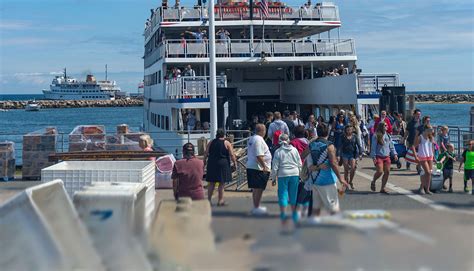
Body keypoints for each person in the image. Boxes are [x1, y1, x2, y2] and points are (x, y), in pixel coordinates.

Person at [303, 123, 348, 223]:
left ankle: (313, 225)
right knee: (333, 206)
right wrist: (341, 178)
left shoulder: (311, 144)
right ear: (327, 132)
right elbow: (333, 163)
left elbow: (302, 155)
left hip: (314, 179)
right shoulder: (329, 146)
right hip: (327, 180)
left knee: (316, 206)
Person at [271, 134, 302, 228]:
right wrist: (300, 175)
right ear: (288, 140)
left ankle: (283, 215)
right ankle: (294, 215)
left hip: (282, 174)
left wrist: (273, 178)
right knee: (294, 195)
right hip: (294, 174)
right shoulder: (294, 150)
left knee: (283, 194)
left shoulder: (278, 151)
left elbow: (275, 166)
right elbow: (299, 163)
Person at [204, 129, 237, 206]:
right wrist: (235, 163)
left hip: (212, 164)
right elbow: (232, 154)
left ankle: (208, 200)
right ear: (223, 135)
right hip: (223, 164)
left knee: (211, 183)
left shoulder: (211, 142)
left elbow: (206, 153)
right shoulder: (226, 143)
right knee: (221, 183)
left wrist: (204, 161)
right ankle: (220, 200)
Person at [247, 124, 272, 215]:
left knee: (256, 188)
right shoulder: (258, 139)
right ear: (262, 131)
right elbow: (259, 155)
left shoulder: (252, 138)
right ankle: (256, 207)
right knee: (259, 188)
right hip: (258, 168)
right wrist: (264, 166)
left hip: (252, 166)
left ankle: (256, 206)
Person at [370, 122, 398, 194]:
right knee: (380, 171)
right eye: (385, 125)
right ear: (381, 126)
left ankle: (383, 188)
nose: (387, 126)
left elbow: (391, 146)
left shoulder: (388, 135)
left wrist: (394, 154)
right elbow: (373, 147)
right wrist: (373, 157)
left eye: (387, 125)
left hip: (387, 156)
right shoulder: (376, 135)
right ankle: (373, 181)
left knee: (387, 172)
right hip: (379, 156)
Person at [290, 126, 311, 218]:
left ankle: (296, 209)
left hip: (296, 167)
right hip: (307, 166)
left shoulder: (292, 143)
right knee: (307, 188)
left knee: (297, 189)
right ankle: (305, 209)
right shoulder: (308, 142)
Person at [413, 125, 435, 195]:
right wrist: (416, 156)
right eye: (430, 129)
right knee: (427, 172)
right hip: (422, 156)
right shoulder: (421, 137)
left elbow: (432, 146)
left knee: (429, 173)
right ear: (426, 129)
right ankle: (422, 188)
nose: (432, 131)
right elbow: (414, 145)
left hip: (430, 155)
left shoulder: (431, 137)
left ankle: (426, 189)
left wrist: (433, 155)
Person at [339, 125, 362, 190]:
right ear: (346, 130)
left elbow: (359, 145)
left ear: (352, 130)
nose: (349, 131)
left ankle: (350, 181)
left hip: (352, 154)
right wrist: (338, 154)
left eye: (350, 129)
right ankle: (346, 183)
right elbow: (340, 146)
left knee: (353, 168)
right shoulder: (343, 136)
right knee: (346, 170)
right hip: (345, 154)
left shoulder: (355, 136)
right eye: (348, 129)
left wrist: (360, 153)